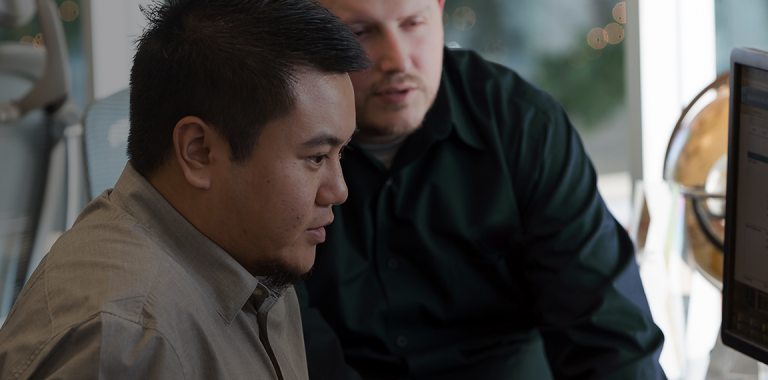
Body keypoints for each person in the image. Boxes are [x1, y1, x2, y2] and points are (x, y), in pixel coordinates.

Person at [296, 0, 666, 379]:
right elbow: (285, 331)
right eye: (360, 33)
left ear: (440, 10)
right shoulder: (278, 146)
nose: (397, 60)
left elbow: (607, 334)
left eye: (413, 24)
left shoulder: (523, 126)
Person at [0, 0, 368, 378]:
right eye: (317, 157)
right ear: (199, 152)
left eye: (341, 152)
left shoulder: (256, 252)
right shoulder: (125, 341)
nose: (338, 190)